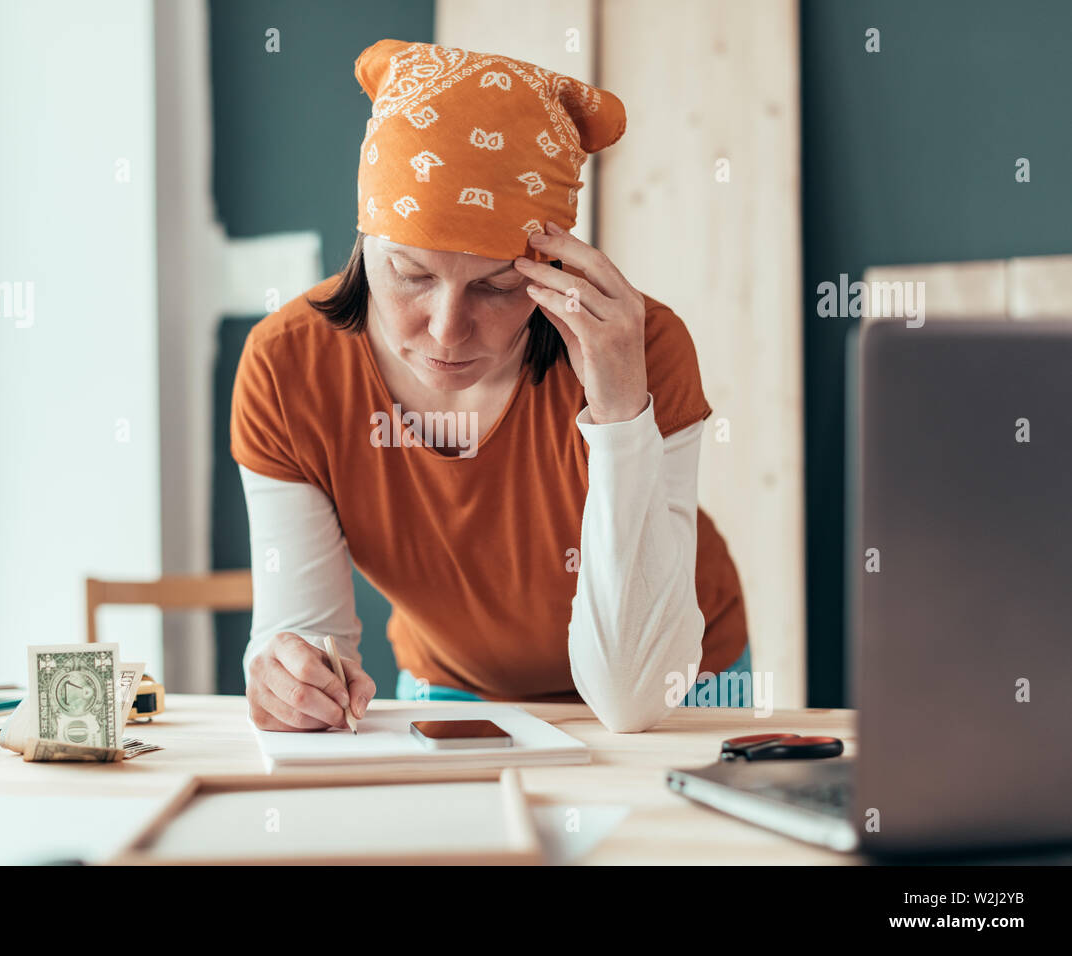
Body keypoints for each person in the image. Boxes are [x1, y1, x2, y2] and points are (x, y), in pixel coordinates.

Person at [231, 39, 749, 734]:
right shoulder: (286, 367)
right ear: (363, 243)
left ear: (554, 268)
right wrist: (287, 676)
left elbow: (631, 698)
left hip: (680, 682)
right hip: (454, 687)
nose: (447, 331)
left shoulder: (644, 349)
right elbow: (302, 634)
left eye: (498, 286)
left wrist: (622, 410)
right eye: (411, 274)